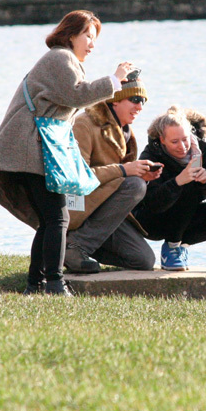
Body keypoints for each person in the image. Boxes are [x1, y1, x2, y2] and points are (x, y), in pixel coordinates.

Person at [0, 9, 135, 297]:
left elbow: (72, 97)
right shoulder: (59, 57)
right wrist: (115, 80)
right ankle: (54, 284)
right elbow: (78, 95)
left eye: (94, 38)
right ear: (71, 35)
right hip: (29, 150)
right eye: (88, 36)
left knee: (50, 219)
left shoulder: (63, 60)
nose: (92, 44)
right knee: (57, 218)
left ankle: (36, 284)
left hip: (31, 149)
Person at [65, 70, 161, 273]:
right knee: (135, 185)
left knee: (144, 260)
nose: (140, 107)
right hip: (80, 207)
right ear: (115, 100)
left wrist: (140, 174)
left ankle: (79, 248)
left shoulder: (125, 130)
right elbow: (77, 177)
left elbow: (120, 179)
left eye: (143, 101)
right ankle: (74, 247)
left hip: (104, 212)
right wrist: (125, 170)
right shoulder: (85, 123)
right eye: (135, 99)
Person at [133, 106, 206, 271]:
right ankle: (172, 247)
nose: (182, 146)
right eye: (174, 142)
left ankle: (179, 245)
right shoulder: (151, 155)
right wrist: (177, 181)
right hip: (151, 220)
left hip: (185, 213)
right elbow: (152, 203)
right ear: (162, 140)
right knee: (187, 184)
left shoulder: (202, 149)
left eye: (185, 139)